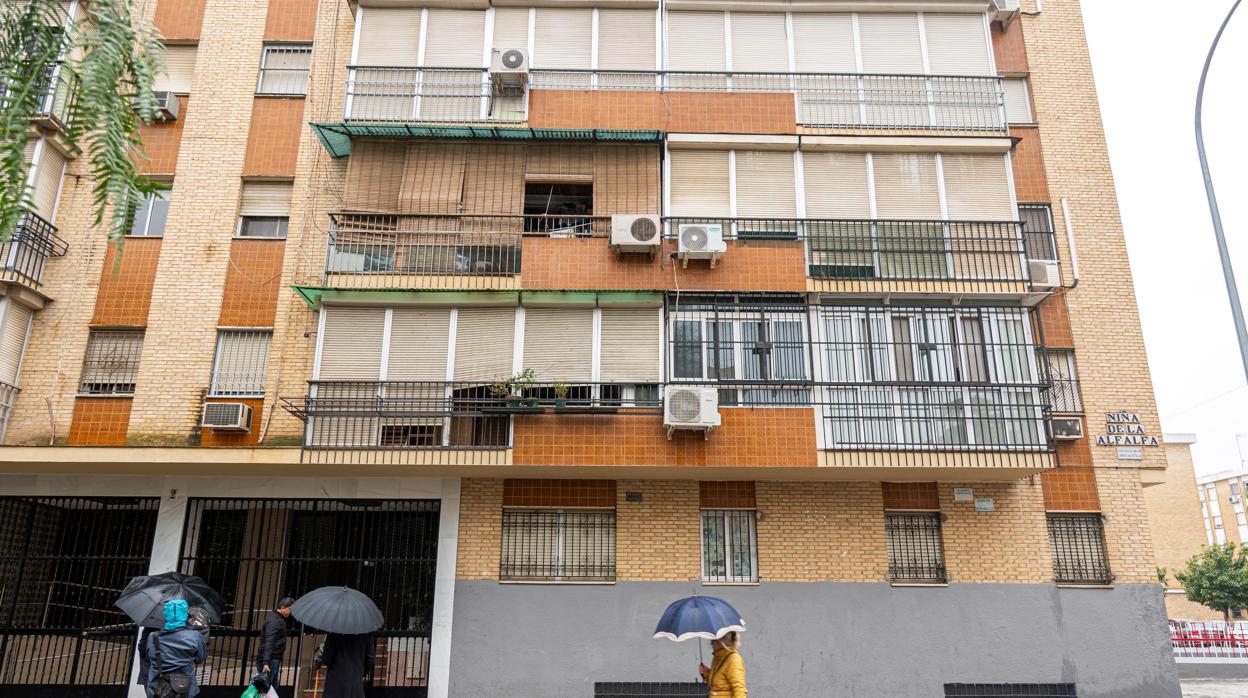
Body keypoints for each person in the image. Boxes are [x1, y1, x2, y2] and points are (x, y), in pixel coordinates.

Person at [145, 599, 208, 698]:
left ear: (166, 614)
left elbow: (149, 658)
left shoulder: (153, 637)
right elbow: (200, 658)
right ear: (185, 615)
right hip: (185, 689)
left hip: (158, 689)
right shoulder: (195, 636)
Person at [256, 597, 294, 695]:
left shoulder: (277, 619)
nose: (290, 612)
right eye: (290, 609)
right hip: (270, 660)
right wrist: (266, 663)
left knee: (273, 687)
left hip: (272, 659)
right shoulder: (275, 621)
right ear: (282, 608)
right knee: (266, 689)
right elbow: (269, 641)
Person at [319, 632, 375, 698]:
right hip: (355, 687)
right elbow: (371, 660)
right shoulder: (366, 632)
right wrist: (359, 674)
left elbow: (326, 659)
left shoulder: (334, 631)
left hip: (334, 685)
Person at [697, 631, 747, 698]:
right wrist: (706, 673)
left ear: (722, 642)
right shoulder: (718, 657)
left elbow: (739, 690)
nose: (711, 643)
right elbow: (717, 686)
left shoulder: (733, 660)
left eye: (713, 639)